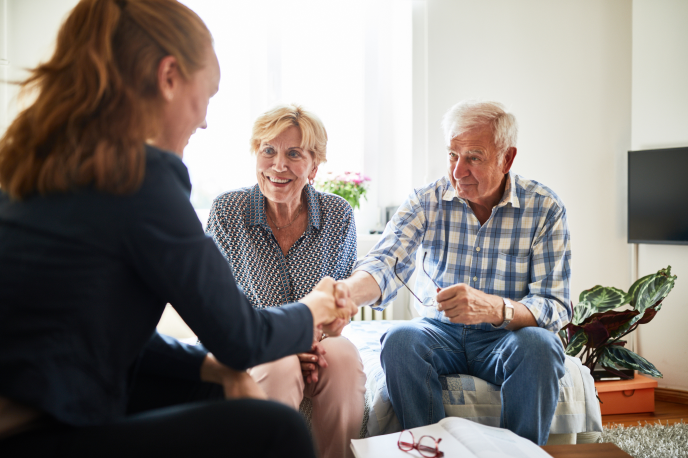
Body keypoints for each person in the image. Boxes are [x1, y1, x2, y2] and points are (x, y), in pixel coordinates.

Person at [0, 1, 356, 457]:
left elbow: (100, 331)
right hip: (31, 426)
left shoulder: (55, 162)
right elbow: (241, 336)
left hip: (39, 396)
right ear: (168, 77)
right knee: (276, 427)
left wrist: (214, 368)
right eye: (207, 94)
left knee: (219, 385)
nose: (205, 119)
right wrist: (315, 307)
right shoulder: (139, 177)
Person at [335, 100, 571, 445]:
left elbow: (555, 305)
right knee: (400, 342)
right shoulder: (426, 200)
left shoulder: (544, 208)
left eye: (473, 157)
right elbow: (383, 260)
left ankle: (519, 453)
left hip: (506, 336)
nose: (458, 171)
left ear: (507, 158)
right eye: (452, 155)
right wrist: (345, 294)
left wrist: (495, 309)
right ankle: (432, 449)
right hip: (439, 332)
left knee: (541, 346)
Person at [206, 104, 366, 458]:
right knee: (278, 365)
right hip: (255, 342)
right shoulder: (227, 212)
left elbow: (339, 299)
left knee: (344, 359)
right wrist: (284, 342)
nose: (278, 165)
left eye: (293, 153)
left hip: (321, 342)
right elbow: (219, 306)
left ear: (314, 165)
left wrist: (319, 333)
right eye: (268, 151)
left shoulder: (338, 213)